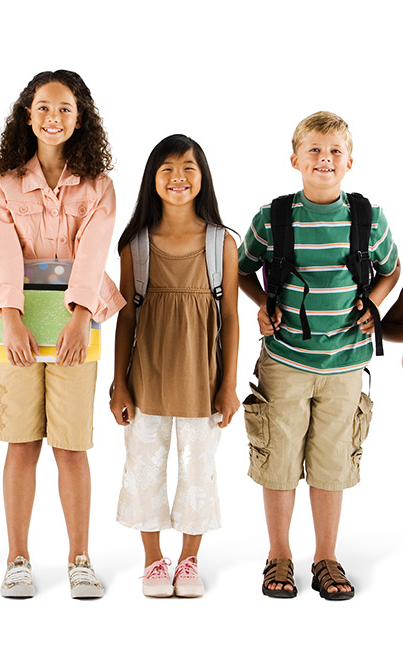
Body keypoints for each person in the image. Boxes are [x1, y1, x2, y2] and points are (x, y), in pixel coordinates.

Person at [238, 111, 399, 600]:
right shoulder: (273, 217)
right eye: (314, 150)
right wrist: (262, 307)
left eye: (334, 152)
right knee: (279, 459)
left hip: (347, 364)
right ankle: (278, 556)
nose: (324, 159)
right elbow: (242, 271)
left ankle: (326, 558)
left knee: (332, 463)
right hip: (285, 361)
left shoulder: (368, 218)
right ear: (295, 160)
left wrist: (374, 303)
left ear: (350, 161)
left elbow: (392, 271)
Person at [0, 70, 124, 598]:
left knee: (70, 445)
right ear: (27, 114)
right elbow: (5, 252)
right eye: (43, 107)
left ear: (80, 116)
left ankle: (80, 559)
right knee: (21, 442)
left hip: (74, 323)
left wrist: (82, 318)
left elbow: (92, 253)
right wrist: (11, 316)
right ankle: (17, 558)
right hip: (15, 324)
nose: (53, 118)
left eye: (64, 108)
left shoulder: (100, 185)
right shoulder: (5, 182)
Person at [110, 135, 239, 598]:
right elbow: (127, 316)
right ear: (152, 179)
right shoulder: (137, 243)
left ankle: (189, 561)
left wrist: (229, 386)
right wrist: (118, 384)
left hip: (202, 378)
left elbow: (230, 318)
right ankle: (152, 561)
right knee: (143, 466)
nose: (178, 177)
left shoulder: (222, 242)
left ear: (202, 177)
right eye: (166, 169)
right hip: (147, 377)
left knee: (198, 469)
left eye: (188, 168)